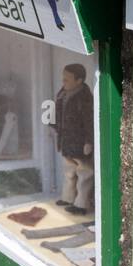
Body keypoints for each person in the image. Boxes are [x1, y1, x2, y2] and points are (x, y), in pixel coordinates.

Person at [51, 63, 94, 214]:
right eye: (63, 79)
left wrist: (89, 141)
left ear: (79, 80)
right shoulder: (63, 93)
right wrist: (53, 126)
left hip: (80, 142)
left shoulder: (85, 98)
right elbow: (57, 112)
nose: (63, 82)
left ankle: (81, 204)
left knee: (84, 172)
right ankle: (68, 197)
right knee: (69, 170)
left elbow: (90, 121)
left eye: (67, 80)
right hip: (67, 140)